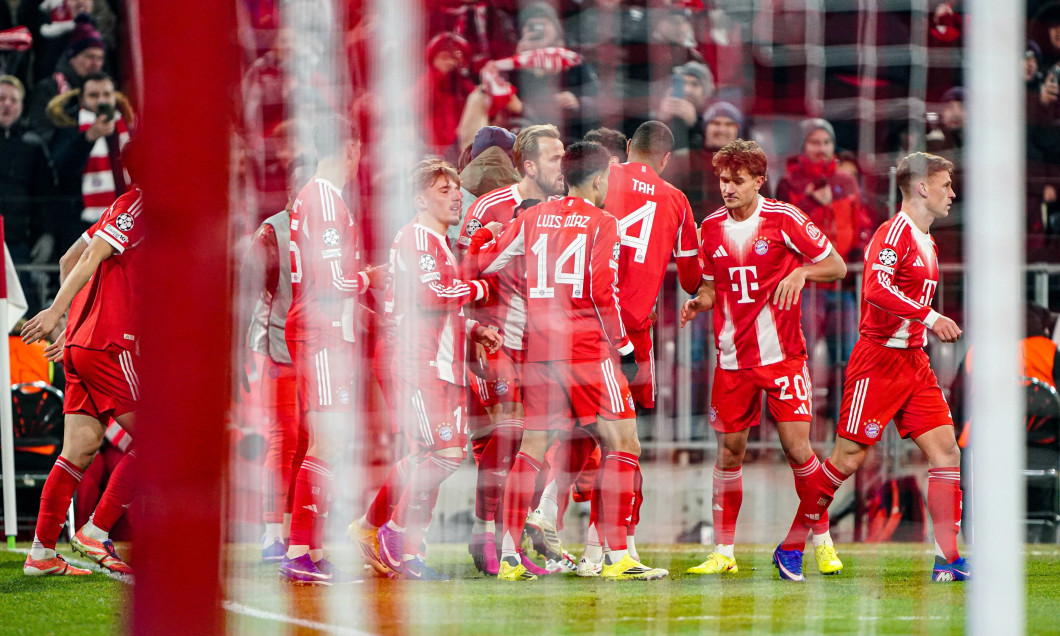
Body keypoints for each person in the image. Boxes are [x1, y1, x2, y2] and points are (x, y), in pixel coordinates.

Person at [480, 141, 668, 581]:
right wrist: (623, 348)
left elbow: (488, 264)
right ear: (600, 179)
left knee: (532, 449)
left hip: (542, 352)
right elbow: (604, 292)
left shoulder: (531, 217)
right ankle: (615, 557)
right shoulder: (603, 221)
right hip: (586, 351)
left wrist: (488, 244)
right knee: (624, 444)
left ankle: (509, 554)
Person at [525, 121, 701, 574]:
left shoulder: (603, 178)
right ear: (665, 159)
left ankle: (561, 523)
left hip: (564, 328)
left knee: (584, 436)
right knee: (623, 443)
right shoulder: (676, 199)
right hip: (624, 331)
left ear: (625, 150)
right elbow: (690, 279)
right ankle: (610, 550)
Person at [787, 152, 968, 583]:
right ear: (922, 187)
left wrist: (923, 327)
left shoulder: (928, 240)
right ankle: (791, 545)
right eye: (946, 185)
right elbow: (874, 288)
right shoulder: (893, 233)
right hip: (878, 362)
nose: (952, 193)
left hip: (914, 363)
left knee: (947, 451)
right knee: (847, 460)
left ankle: (949, 560)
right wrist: (931, 317)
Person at [680, 139, 847, 581]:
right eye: (722, 180)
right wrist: (700, 302)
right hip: (732, 361)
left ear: (759, 180)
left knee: (798, 450)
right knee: (729, 454)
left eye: (737, 181)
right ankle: (723, 550)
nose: (727, 188)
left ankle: (822, 541)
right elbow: (712, 288)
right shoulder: (710, 228)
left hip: (783, 358)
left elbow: (837, 266)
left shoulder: (785, 219)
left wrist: (801, 270)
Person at [352, 158, 502, 580]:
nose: (456, 196)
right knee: (444, 456)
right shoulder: (417, 237)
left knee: (433, 457)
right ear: (419, 199)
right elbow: (433, 294)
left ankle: (393, 543)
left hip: (442, 362)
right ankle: (384, 532)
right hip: (416, 361)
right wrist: (480, 284)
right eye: (443, 190)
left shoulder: (435, 241)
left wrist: (471, 328)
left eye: (456, 189)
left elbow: (431, 305)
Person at [453, 124, 564, 576]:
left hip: (539, 341)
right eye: (556, 157)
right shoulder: (486, 207)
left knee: (537, 440)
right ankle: (485, 530)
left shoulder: (563, 209)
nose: (564, 165)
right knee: (512, 428)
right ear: (531, 164)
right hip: (495, 333)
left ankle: (509, 540)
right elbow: (463, 269)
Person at [20, 180, 144, 577]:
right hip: (108, 343)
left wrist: (71, 330)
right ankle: (97, 529)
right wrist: (57, 314)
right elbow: (88, 257)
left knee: (79, 450)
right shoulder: (141, 205)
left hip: (82, 344)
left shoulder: (119, 207)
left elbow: (66, 259)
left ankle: (41, 552)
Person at [279, 118, 382, 585]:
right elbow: (334, 280)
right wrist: (373, 278)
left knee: (327, 441)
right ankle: (298, 550)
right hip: (320, 329)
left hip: (322, 328)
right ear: (351, 148)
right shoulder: (324, 198)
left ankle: (311, 548)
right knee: (327, 442)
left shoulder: (314, 196)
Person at [47, 71, 132, 250]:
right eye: (93, 95)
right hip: (79, 222)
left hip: (123, 219)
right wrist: (88, 137)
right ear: (82, 99)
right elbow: (60, 169)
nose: (101, 101)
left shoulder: (128, 125)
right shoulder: (68, 126)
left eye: (107, 94)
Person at [0, 74, 58, 312]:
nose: (7, 104)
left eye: (14, 100)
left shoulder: (33, 144)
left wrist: (47, 234)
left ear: (22, 106)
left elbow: (46, 195)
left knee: (21, 311)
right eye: (1, 98)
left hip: (19, 244)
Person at [656, 60, 714, 151]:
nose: (687, 89)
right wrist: (661, 120)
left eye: (695, 84)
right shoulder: (661, 111)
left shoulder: (714, 119)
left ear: (706, 93)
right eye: (683, 83)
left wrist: (694, 125)